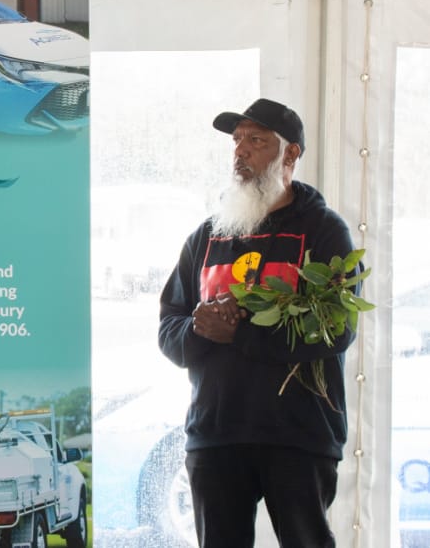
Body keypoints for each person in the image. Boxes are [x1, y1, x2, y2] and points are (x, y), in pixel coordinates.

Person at [158, 98, 357, 547]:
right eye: (237, 141)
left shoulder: (324, 232)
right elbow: (169, 325)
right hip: (215, 436)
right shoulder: (207, 235)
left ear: (290, 154)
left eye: (256, 141)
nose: (240, 151)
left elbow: (336, 328)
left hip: (299, 437)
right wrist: (198, 327)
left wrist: (241, 333)